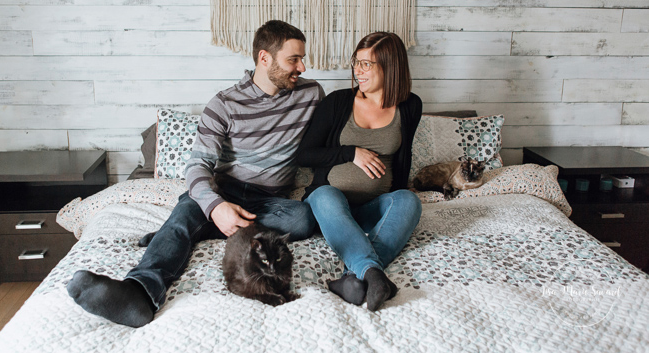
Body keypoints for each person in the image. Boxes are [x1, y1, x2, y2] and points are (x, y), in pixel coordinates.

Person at [67, 20, 325, 327]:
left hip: (271, 201)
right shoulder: (224, 104)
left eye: (302, 59)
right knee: (187, 212)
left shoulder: (310, 95)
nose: (303, 67)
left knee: (303, 219)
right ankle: (139, 291)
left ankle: (196, 231)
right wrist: (216, 208)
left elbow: (337, 129)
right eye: (293, 60)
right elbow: (197, 166)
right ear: (264, 58)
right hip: (225, 192)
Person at [297, 31, 423, 312]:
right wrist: (351, 152)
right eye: (357, 62)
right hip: (330, 209)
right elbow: (303, 155)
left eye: (367, 64)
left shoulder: (410, 105)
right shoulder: (337, 102)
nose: (358, 70)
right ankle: (371, 275)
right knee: (325, 194)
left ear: (390, 67)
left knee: (409, 200)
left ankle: (354, 280)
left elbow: (404, 158)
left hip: (372, 212)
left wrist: (398, 204)